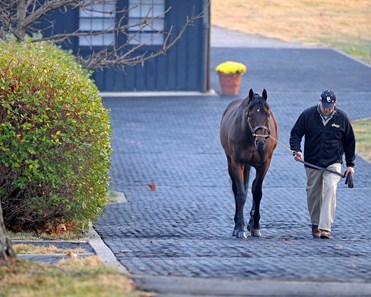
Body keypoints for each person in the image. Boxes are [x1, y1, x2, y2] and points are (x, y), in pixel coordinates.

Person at [289, 90, 355, 239]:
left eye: (330, 106)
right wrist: (297, 150)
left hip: (333, 162)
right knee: (313, 193)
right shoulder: (308, 115)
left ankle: (325, 227)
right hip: (312, 162)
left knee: (331, 188)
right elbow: (295, 134)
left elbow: (350, 142)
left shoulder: (342, 118)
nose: (327, 109)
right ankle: (315, 224)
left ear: (334, 104)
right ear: (319, 102)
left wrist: (350, 165)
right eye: (324, 105)